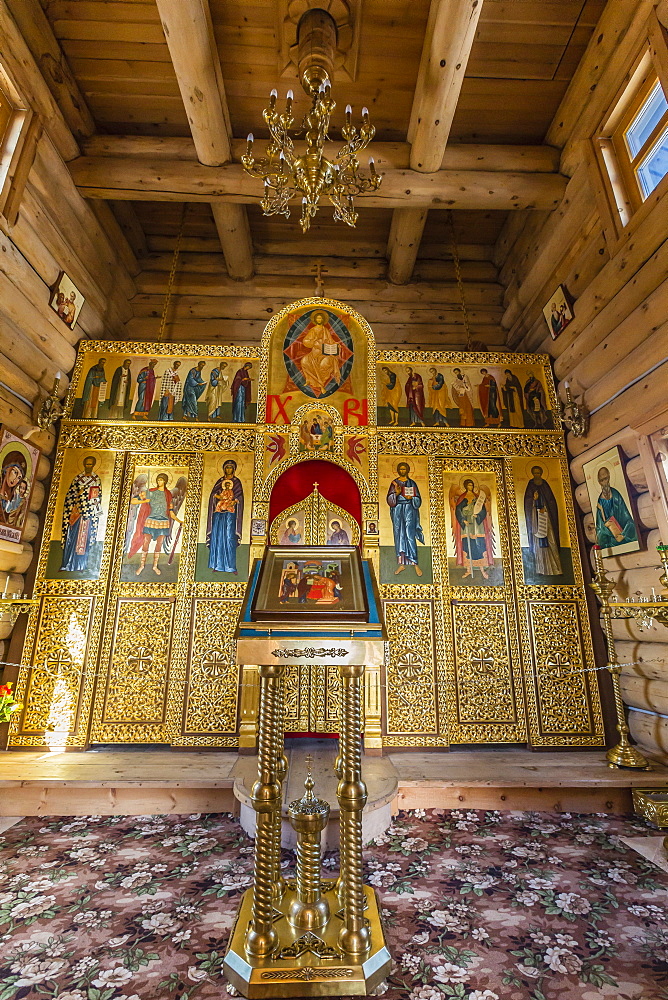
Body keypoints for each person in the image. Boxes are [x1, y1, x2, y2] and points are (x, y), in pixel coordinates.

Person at [128, 472, 182, 575]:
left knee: (159, 544)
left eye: (161, 480)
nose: (159, 482)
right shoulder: (151, 492)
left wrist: (180, 521)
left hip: (163, 522)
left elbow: (170, 511)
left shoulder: (168, 494)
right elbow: (133, 501)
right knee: (146, 542)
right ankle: (142, 565)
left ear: (165, 481)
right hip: (151, 520)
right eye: (158, 480)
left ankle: (155, 566)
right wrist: (144, 501)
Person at [59, 455, 102, 573]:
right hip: (75, 513)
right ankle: (67, 564)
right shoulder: (77, 479)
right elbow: (70, 495)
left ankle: (80, 565)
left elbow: (97, 498)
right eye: (87, 464)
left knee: (83, 539)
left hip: (87, 515)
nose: (88, 467)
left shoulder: (96, 479)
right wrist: (77, 499)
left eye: (90, 464)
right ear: (84, 465)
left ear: (93, 465)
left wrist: (94, 511)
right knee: (71, 537)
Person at [386, 461, 424, 576]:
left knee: (409, 534)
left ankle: (415, 563)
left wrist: (411, 497)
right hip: (397, 509)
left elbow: (418, 500)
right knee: (399, 535)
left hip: (409, 509)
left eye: (404, 469)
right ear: (398, 470)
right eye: (400, 469)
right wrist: (396, 494)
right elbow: (389, 499)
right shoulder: (394, 483)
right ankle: (401, 564)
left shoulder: (412, 483)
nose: (402, 471)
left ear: (407, 470)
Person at [206, 459, 244, 572]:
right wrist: (217, 497)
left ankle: (230, 567)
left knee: (228, 537)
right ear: (224, 469)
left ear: (234, 469)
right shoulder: (219, 482)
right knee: (217, 537)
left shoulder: (237, 482)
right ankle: (216, 565)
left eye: (231, 467)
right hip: (218, 514)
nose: (228, 469)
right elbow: (213, 495)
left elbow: (240, 496)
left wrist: (235, 501)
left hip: (230, 514)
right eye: (227, 467)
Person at [523, 466, 562, 576]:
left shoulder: (545, 485)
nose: (537, 475)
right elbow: (527, 501)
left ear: (541, 473)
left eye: (538, 473)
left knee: (551, 540)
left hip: (546, 517)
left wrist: (546, 508)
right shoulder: (530, 485)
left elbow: (551, 501)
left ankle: (556, 568)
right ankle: (540, 569)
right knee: (538, 543)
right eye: (535, 473)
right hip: (535, 518)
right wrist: (533, 500)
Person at [452, 478, 494, 580]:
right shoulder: (462, 498)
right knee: (467, 545)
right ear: (465, 486)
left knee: (479, 545)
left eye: (472, 485)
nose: (470, 487)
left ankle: (482, 569)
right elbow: (458, 511)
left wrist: (478, 516)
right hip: (467, 526)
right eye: (468, 485)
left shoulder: (477, 498)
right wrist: (463, 520)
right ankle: (468, 570)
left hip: (477, 525)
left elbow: (483, 510)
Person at [595, 466, 638, 550]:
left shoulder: (616, 496)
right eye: (601, 480)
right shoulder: (600, 503)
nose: (604, 482)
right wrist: (608, 529)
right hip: (610, 539)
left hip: (622, 535)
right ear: (599, 482)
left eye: (606, 478)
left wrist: (623, 534)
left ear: (609, 477)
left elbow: (628, 519)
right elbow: (599, 528)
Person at [299, 312, 341, 396]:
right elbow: (305, 341)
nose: (319, 320)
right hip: (314, 354)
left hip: (325, 354)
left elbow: (330, 341)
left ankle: (321, 384)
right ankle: (310, 380)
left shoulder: (325, 330)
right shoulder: (313, 330)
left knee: (323, 365)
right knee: (304, 361)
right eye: (317, 318)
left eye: (320, 318)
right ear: (315, 320)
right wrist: (314, 343)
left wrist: (336, 344)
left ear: (323, 320)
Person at [0, 452, 27, 525]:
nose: (15, 479)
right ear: (6, 469)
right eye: (15, 472)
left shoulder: (13, 499)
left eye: (19, 478)